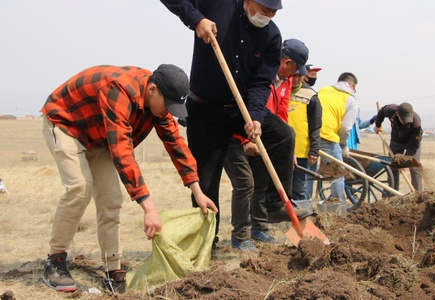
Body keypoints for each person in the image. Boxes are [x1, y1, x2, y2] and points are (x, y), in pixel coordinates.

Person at [40, 64, 218, 293]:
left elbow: (176, 145)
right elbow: (122, 151)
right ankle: (54, 261)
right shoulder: (119, 91)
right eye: (168, 105)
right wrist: (149, 209)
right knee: (80, 188)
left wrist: (198, 191)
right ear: (153, 90)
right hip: (65, 123)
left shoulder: (158, 107)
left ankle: (113, 269)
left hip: (98, 136)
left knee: (111, 199)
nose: (169, 112)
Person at [160, 0, 311, 249]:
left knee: (283, 135)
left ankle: (274, 204)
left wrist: (255, 117)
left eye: (273, 13)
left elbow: (261, 83)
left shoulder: (272, 36)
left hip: (240, 111)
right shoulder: (217, 5)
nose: (268, 16)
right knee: (207, 181)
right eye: (264, 10)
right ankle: (207, 242)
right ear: (249, 1)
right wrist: (196, 18)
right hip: (205, 110)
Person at [223, 38, 310, 252]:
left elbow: (281, 114)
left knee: (261, 180)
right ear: (286, 62)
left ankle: (261, 227)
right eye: (296, 69)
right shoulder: (260, 72)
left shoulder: (287, 81)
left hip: (264, 134)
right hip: (238, 133)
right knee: (246, 184)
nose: (297, 76)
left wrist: (285, 147)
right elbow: (241, 107)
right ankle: (241, 237)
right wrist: (247, 140)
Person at [317, 72, 358, 202]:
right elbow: (346, 128)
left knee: (309, 173)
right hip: (327, 137)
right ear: (351, 85)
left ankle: (304, 207)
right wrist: (344, 145)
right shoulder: (350, 100)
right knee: (338, 173)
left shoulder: (322, 91)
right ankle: (338, 206)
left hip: (309, 134)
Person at [288, 67, 322, 202]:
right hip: (282, 150)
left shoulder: (311, 96)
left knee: (299, 188)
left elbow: (315, 126)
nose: (295, 79)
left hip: (301, 151)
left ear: (304, 77)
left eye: (299, 76)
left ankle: (302, 217)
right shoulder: (280, 91)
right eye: (293, 75)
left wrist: (314, 150)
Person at [373, 102, 423, 191]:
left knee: (414, 167)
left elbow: (413, 146)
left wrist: (404, 162)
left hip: (411, 143)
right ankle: (392, 193)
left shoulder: (416, 123)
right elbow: (381, 112)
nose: (406, 122)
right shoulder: (391, 110)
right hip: (396, 142)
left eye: (408, 119)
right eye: (404, 119)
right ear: (397, 114)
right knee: (393, 165)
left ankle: (418, 194)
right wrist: (378, 125)